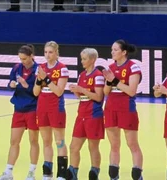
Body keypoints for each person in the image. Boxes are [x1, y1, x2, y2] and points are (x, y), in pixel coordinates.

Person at [102, 40, 144, 180]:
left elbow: (131, 91)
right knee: (114, 145)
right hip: (111, 107)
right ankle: (114, 176)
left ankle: (137, 175)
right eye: (112, 49)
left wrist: (114, 80)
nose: (112, 52)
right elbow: (106, 92)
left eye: (115, 50)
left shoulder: (133, 67)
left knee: (132, 144)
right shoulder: (111, 67)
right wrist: (108, 81)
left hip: (126, 108)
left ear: (124, 52)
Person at [0, 45, 40, 180]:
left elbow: (38, 92)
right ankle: (8, 171)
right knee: (14, 141)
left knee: (33, 141)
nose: (23, 61)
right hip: (19, 109)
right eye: (20, 58)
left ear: (32, 56)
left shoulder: (38, 70)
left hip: (33, 109)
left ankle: (32, 172)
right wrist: (11, 85)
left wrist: (27, 86)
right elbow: (11, 82)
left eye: (25, 58)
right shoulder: (16, 68)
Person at [67, 48, 106, 180]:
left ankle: (94, 172)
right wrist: (75, 91)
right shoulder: (82, 75)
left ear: (92, 60)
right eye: (81, 58)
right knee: (73, 146)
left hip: (93, 114)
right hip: (82, 113)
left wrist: (81, 89)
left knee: (93, 146)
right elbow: (82, 96)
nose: (82, 61)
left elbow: (99, 97)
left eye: (84, 59)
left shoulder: (98, 75)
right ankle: (73, 173)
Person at [33, 41, 70, 180]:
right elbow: (36, 92)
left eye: (50, 52)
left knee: (59, 141)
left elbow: (59, 91)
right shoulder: (41, 68)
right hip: (42, 106)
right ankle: (47, 173)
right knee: (46, 141)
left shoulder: (62, 68)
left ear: (56, 53)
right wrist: (39, 81)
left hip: (56, 107)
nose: (47, 55)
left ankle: (61, 174)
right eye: (45, 52)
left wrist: (46, 79)